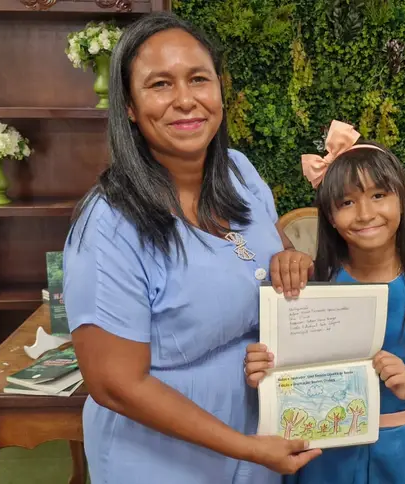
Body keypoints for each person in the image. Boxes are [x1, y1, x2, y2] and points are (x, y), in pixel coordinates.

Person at [61, 12, 320, 484]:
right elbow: (115, 385)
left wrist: (291, 260)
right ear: (130, 107)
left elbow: (270, 255)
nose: (185, 100)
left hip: (258, 443)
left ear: (219, 90)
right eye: (160, 84)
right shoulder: (109, 224)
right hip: (161, 460)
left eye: (198, 79)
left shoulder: (239, 173)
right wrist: (248, 448)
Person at [244, 120, 405, 483]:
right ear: (331, 218)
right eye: (347, 202)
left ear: (402, 199)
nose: (366, 213)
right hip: (324, 455)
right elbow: (285, 374)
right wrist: (265, 368)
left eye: (379, 195)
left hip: (402, 451)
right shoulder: (311, 283)